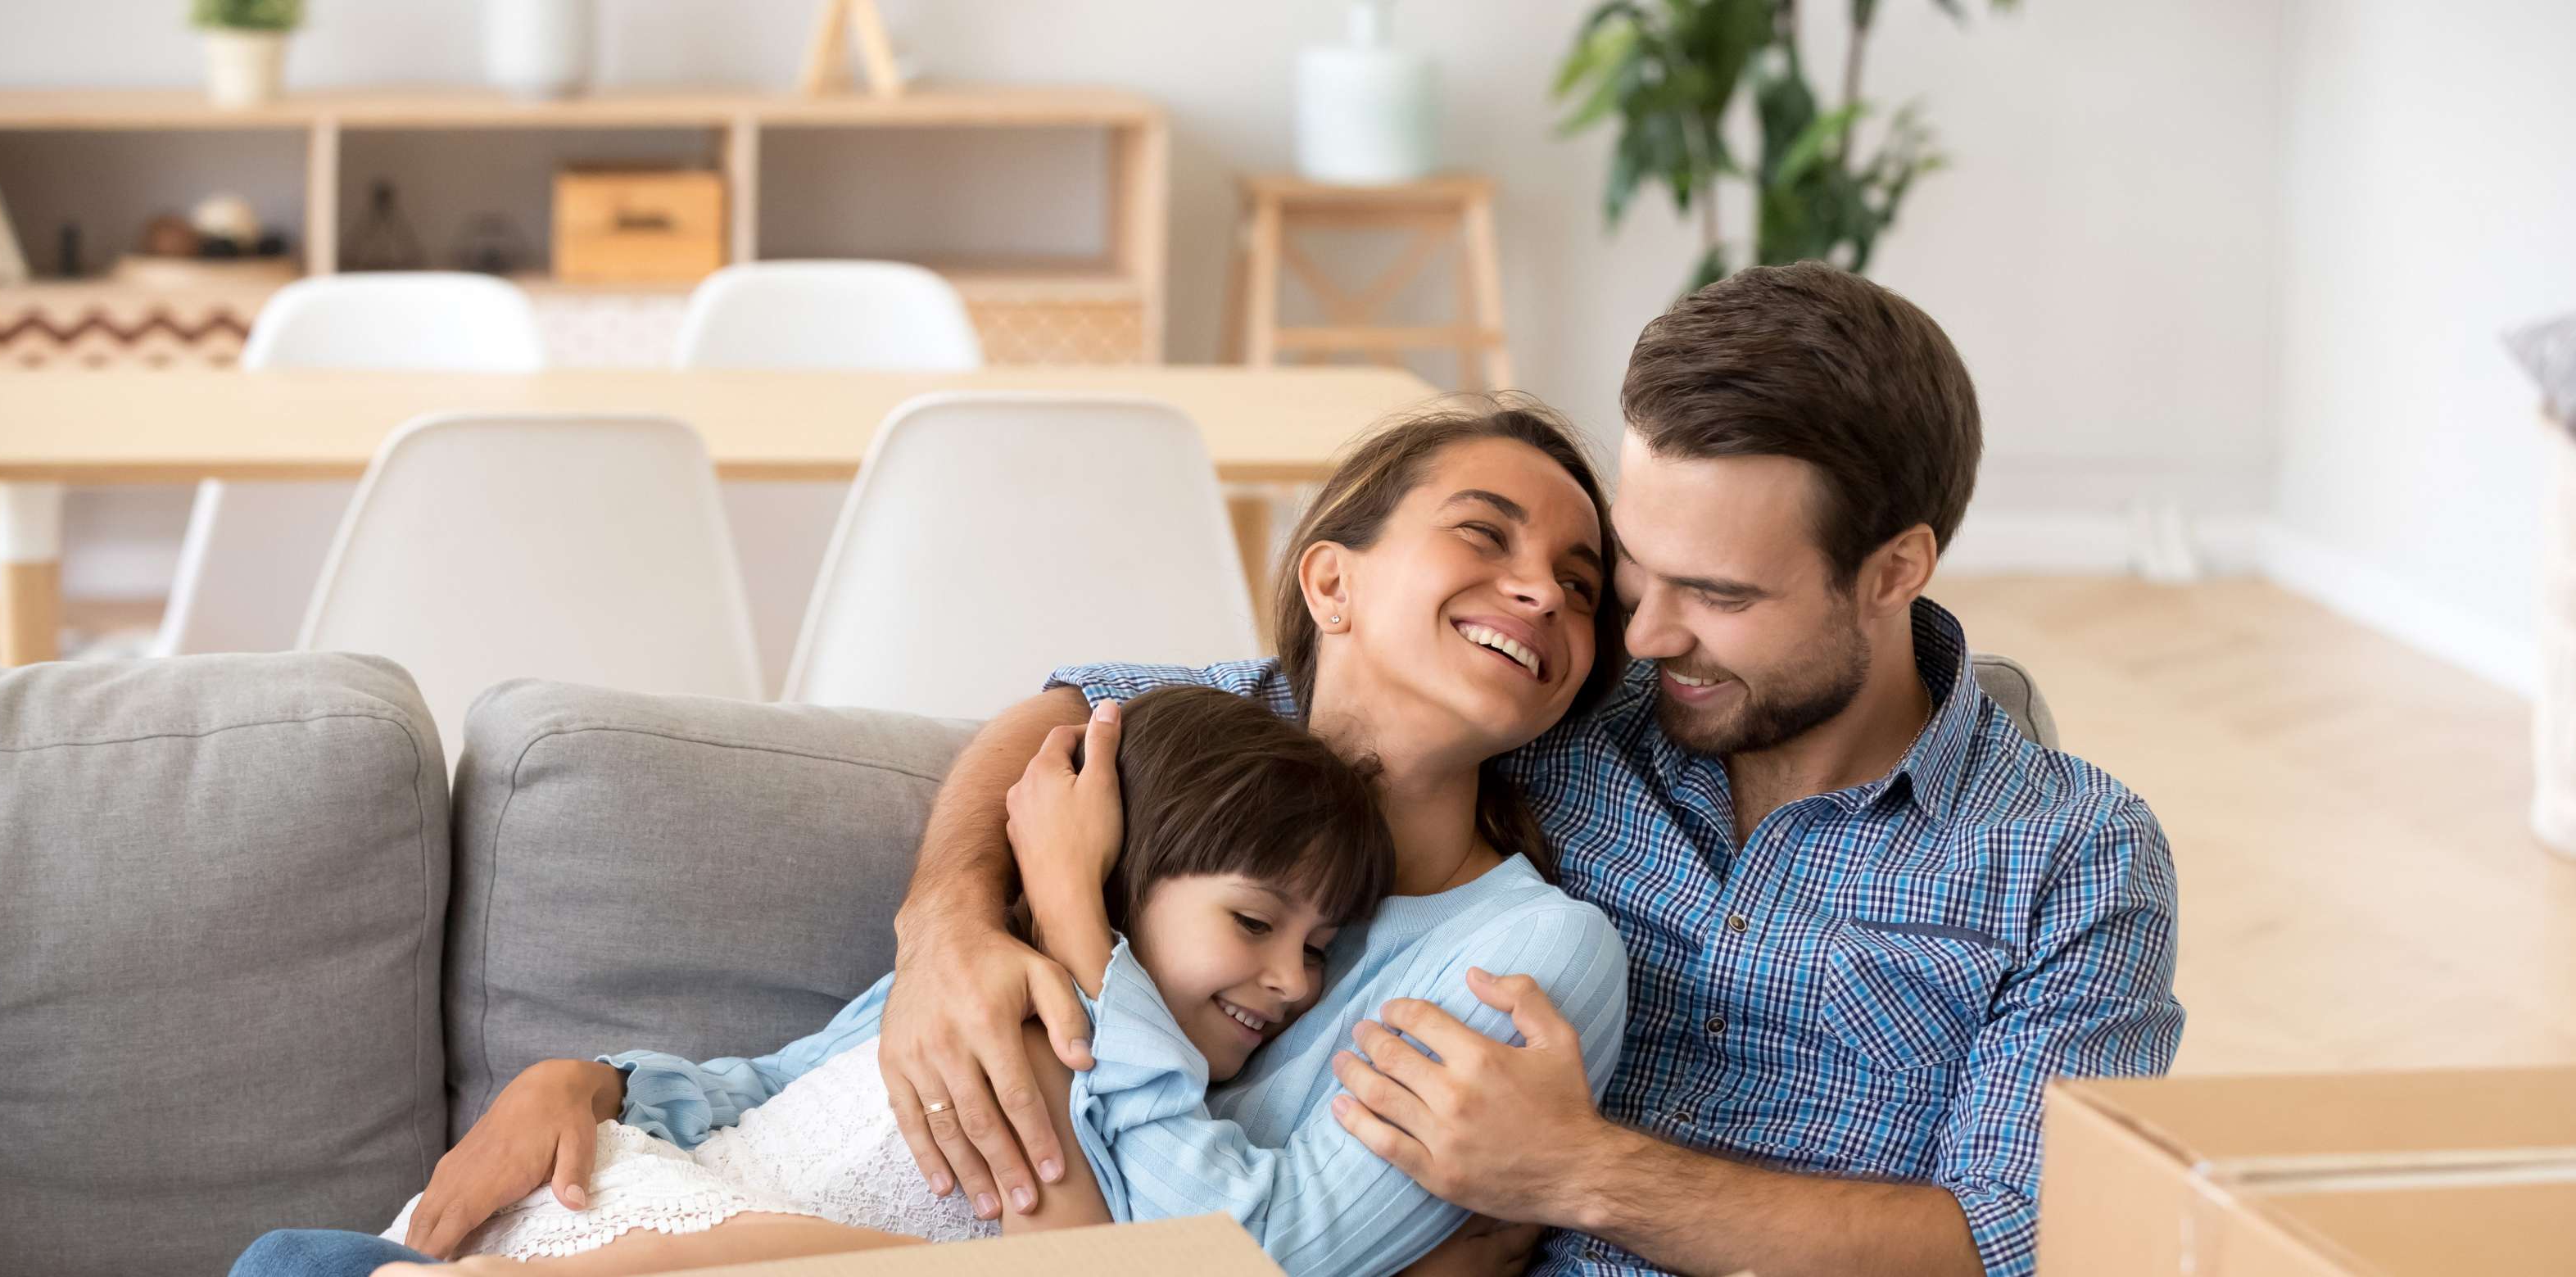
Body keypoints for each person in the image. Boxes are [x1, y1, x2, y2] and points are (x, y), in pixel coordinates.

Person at [877, 263, 2184, 1277]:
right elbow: (1099, 707)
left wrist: (1581, 1175)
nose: (1648, 636)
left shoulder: (2073, 856)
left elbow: (2026, 1235)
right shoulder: (1551, 707)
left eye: (1720, 595)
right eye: (1638, 572)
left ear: (1895, 571)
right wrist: (944, 915)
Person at [236, 401, 1634, 1277]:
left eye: (1582, 587)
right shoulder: (1156, 778)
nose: (1541, 594)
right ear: (1330, 579)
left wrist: (1078, 924)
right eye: (1486, 536)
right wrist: (593, 1082)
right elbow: (829, 1074)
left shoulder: (1528, 948)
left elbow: (1231, 1264)